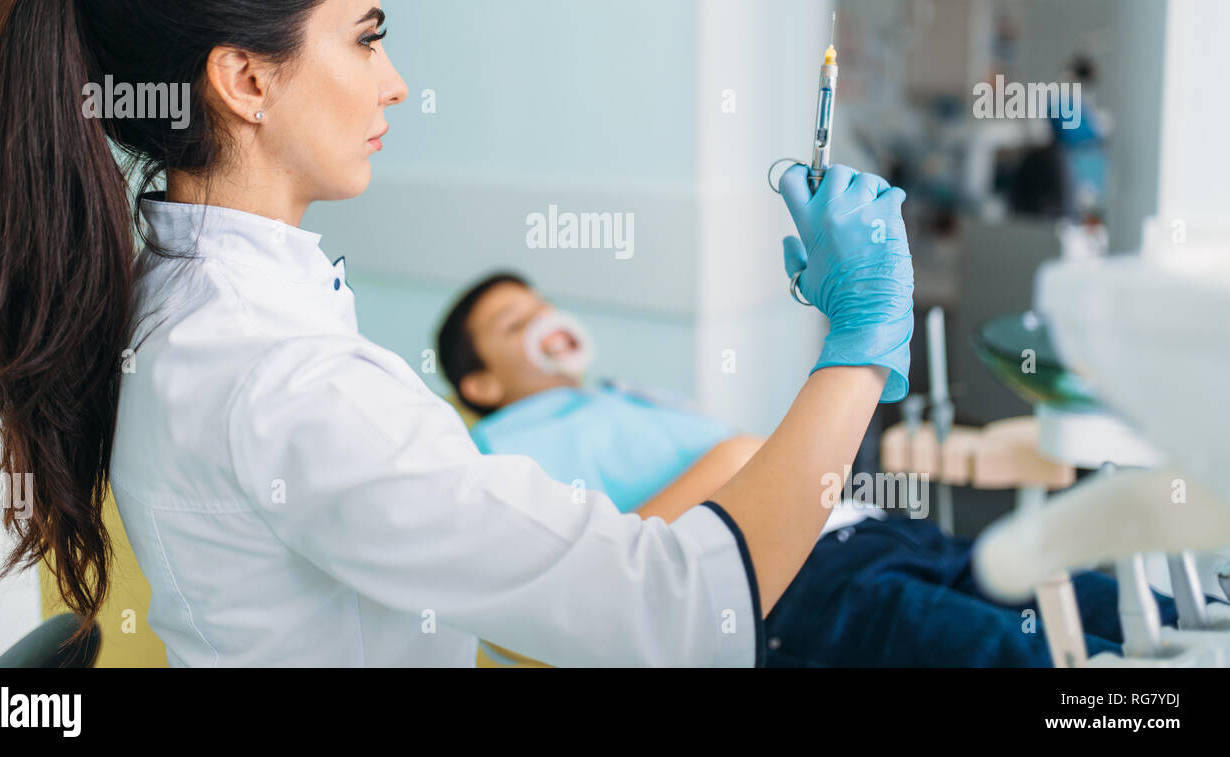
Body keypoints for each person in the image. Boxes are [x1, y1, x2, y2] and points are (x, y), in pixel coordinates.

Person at [0, 0, 914, 667]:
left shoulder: (177, 304)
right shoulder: (287, 380)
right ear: (245, 80)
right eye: (365, 39)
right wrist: (860, 343)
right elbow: (679, 609)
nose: (395, 81)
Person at [436, 272, 1189, 666]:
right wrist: (731, 465)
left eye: (541, 305)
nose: (543, 322)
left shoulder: (627, 396)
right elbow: (589, 585)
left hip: (871, 529)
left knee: (1138, 610)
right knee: (1030, 660)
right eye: (513, 323)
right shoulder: (504, 446)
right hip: (794, 584)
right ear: (480, 383)